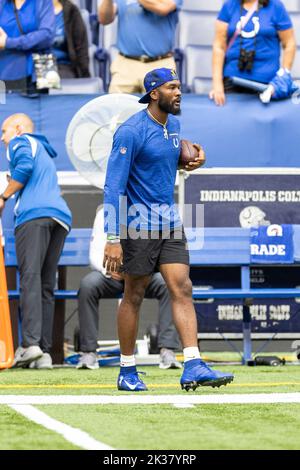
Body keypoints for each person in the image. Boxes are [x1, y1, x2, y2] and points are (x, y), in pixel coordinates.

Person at [103, 67, 234, 391]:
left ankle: (192, 363)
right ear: (153, 93)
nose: (179, 92)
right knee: (133, 295)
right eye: (172, 87)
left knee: (182, 287)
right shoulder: (130, 131)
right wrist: (112, 237)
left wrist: (191, 159)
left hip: (170, 223)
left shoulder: (173, 125)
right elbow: (112, 187)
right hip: (137, 226)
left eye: (179, 87)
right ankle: (127, 370)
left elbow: (163, 157)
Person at [0, 113, 72, 369]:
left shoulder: (21, 142)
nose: (2, 138)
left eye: (4, 131)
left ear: (18, 129)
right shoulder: (41, 147)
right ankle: (43, 352)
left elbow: (24, 168)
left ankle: (30, 344)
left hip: (34, 216)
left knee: (29, 278)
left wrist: (4, 196)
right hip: (60, 218)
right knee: (44, 284)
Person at [77, 206, 182, 370]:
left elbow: (161, 250)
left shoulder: (151, 211)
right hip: (112, 276)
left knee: (167, 284)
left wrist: (139, 270)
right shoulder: (104, 213)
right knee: (87, 285)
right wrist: (110, 270)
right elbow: (95, 252)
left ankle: (167, 350)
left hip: (144, 274)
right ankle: (88, 352)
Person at [210, 0, 296, 106]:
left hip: (267, 85)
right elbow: (219, 46)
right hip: (232, 82)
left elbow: (289, 43)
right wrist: (217, 84)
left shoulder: (276, 6)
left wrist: (283, 76)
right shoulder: (229, 5)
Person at [98, 0, 182, 93]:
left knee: (162, 106)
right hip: (125, 65)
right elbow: (104, 19)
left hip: (161, 65)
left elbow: (163, 8)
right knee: (118, 106)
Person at [0, 0, 55, 92]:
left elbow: (47, 36)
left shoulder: (42, 2)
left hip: (37, 72)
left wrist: (8, 42)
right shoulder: (2, 3)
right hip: (5, 72)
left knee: (40, 105)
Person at [52, 0, 90, 79]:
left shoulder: (71, 10)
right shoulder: (32, 11)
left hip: (64, 65)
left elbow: (81, 48)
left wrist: (85, 76)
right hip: (39, 64)